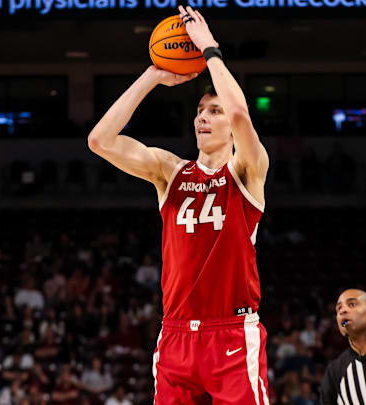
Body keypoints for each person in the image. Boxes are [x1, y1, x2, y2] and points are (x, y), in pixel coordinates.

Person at [88, 6, 270, 404]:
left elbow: (240, 110)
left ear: (230, 126)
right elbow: (100, 140)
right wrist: (152, 75)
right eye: (200, 111)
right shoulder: (171, 172)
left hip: (232, 333)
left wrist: (210, 50)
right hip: (175, 334)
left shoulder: (247, 170)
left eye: (213, 111)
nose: (203, 117)